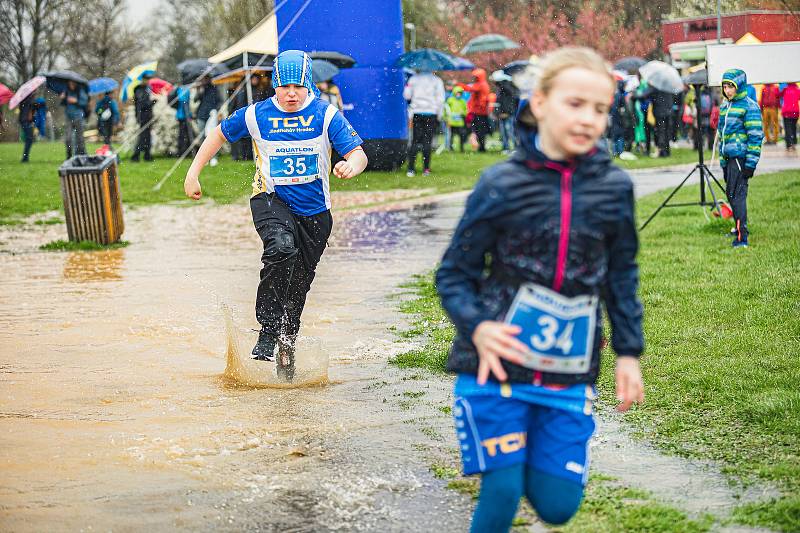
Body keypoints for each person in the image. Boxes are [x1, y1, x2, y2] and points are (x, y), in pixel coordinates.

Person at [436, 47, 644, 532]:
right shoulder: (501, 183)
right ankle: (505, 453)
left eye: (600, 108)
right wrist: (479, 327)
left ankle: (525, 448)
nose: (589, 118)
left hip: (567, 370)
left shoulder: (614, 187)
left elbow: (622, 275)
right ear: (541, 102)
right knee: (503, 488)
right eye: (576, 104)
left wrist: (628, 353)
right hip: (496, 365)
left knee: (557, 506)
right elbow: (453, 273)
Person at [183, 50, 368, 381]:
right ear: (275, 86)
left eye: (299, 86)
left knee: (297, 290)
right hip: (271, 200)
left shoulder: (325, 115)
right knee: (281, 247)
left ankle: (286, 350)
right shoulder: (257, 115)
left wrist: (350, 165)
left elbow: (358, 153)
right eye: (285, 87)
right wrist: (193, 173)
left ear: (308, 85)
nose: (292, 94)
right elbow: (219, 133)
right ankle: (267, 329)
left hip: (315, 215)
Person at [718, 69, 763, 248]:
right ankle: (738, 226)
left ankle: (741, 237)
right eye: (725, 86)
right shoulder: (725, 106)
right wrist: (722, 160)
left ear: (740, 86)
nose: (727, 90)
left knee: (737, 196)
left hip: (740, 158)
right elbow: (722, 135)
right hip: (728, 158)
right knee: (730, 194)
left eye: (731, 86)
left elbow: (756, 136)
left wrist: (750, 164)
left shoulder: (749, 106)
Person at [404, 69, 444, 177]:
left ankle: (411, 169)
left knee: (415, 141)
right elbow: (440, 100)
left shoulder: (413, 79)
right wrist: (439, 115)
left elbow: (407, 95)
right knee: (427, 141)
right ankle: (426, 169)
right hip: (431, 113)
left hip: (417, 112)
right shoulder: (437, 81)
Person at [459, 69, 492, 152]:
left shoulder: (480, 85)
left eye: (476, 77)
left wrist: (459, 84)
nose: (474, 78)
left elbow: (469, 89)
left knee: (478, 130)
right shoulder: (484, 84)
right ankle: (481, 146)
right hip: (482, 112)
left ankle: (481, 147)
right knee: (480, 130)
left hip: (479, 112)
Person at [61, 80, 88, 158]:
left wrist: (76, 101)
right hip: (68, 117)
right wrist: (63, 98)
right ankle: (69, 155)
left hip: (78, 116)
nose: (71, 85)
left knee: (80, 137)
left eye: (73, 83)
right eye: (69, 83)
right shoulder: (66, 91)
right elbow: (64, 104)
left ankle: (81, 155)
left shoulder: (80, 91)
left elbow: (84, 102)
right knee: (68, 138)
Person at [131, 75, 155, 162]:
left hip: (147, 115)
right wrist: (152, 102)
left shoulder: (146, 89)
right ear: (143, 80)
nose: (147, 81)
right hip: (142, 116)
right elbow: (143, 104)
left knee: (147, 136)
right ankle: (136, 155)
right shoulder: (140, 90)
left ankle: (147, 155)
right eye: (146, 79)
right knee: (143, 136)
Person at [495, 78, 519, 154]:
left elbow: (512, 104)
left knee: (510, 131)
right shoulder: (500, 93)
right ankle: (506, 148)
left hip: (509, 114)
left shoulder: (511, 91)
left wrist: (508, 113)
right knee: (503, 132)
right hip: (502, 114)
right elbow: (498, 103)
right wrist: (499, 113)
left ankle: (516, 148)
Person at [445, 86, 469, 152]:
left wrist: (463, 113)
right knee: (451, 135)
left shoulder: (463, 101)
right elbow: (446, 109)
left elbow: (466, 110)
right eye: (457, 93)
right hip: (452, 121)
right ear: (454, 93)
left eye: (460, 93)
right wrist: (446, 117)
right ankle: (450, 148)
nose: (458, 95)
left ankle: (462, 148)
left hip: (460, 122)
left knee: (462, 135)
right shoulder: (450, 100)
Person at [174, 85, 193, 156]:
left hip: (184, 115)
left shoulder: (181, 88)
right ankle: (182, 151)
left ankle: (186, 151)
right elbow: (182, 99)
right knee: (183, 134)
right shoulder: (182, 88)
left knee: (186, 134)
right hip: (182, 115)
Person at [780, 82, 799, 152]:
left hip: (787, 112)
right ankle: (793, 143)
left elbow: (778, 95)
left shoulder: (785, 89)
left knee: (788, 128)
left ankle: (789, 144)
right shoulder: (797, 90)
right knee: (793, 127)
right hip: (795, 112)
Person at [18, 93, 36, 163]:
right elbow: (31, 112)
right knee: (29, 139)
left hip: (23, 120)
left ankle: (25, 157)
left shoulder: (23, 99)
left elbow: (21, 108)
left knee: (29, 139)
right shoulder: (30, 100)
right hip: (26, 121)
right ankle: (25, 158)